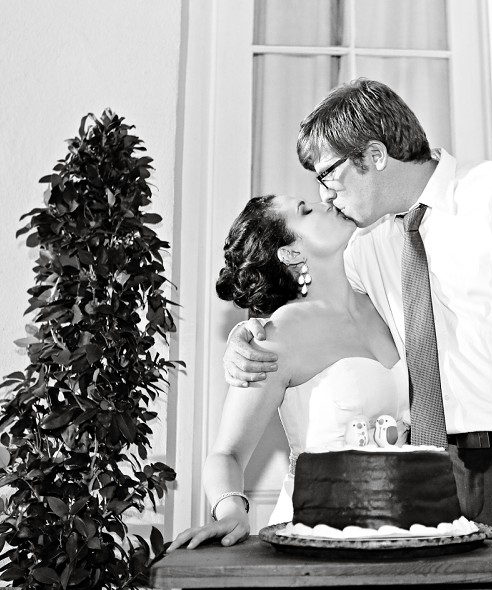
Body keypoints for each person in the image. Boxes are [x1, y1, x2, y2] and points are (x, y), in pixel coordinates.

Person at [225, 79, 492, 590]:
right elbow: (313, 304)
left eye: (328, 175)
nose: (325, 196)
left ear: (374, 155)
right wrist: (247, 333)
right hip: (427, 486)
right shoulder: (365, 248)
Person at [169, 193, 409, 550]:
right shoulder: (277, 337)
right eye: (305, 210)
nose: (325, 202)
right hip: (317, 534)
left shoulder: (381, 298)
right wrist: (232, 510)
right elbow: (226, 453)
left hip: (402, 528)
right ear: (291, 253)